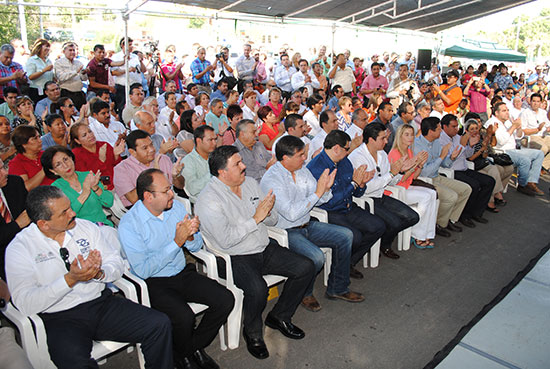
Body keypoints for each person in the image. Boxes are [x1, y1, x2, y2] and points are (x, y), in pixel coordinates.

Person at [5, 186, 174, 369]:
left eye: (70, 207)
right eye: (64, 212)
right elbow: (24, 303)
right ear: (43, 224)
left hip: (100, 304)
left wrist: (100, 273)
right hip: (60, 318)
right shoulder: (20, 248)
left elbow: (115, 263)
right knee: (74, 363)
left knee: (158, 324)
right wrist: (70, 280)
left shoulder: (85, 228)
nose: (72, 213)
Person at [195, 145, 315, 359]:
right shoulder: (209, 200)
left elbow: (273, 219)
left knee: (306, 266)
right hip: (233, 256)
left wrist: (267, 212)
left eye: (241, 161)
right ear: (222, 172)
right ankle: (253, 332)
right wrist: (256, 218)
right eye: (238, 164)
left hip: (262, 246)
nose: (244, 166)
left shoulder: (250, 183)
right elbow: (225, 240)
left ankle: (279, 316)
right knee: (257, 289)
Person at [119, 169, 234, 369]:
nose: (172, 194)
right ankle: (187, 355)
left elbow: (196, 246)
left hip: (182, 272)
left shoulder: (176, 209)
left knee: (225, 299)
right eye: (166, 191)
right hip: (154, 282)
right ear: (148, 196)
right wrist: (176, 242)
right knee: (184, 317)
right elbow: (143, 270)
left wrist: (190, 236)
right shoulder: (130, 224)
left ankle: (189, 349)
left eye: (170, 188)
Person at [261, 135, 364, 312]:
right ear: (285, 158)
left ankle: (338, 288)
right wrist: (318, 192)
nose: (304, 158)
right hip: (286, 231)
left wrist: (326, 188)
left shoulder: (302, 170)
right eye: (300, 155)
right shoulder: (272, 179)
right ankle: (305, 293)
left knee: (346, 235)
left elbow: (319, 199)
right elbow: (292, 213)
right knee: (316, 257)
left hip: (307, 224)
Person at [307, 130, 386, 277]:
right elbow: (330, 201)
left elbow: (356, 193)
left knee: (378, 226)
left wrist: (361, 184)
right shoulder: (316, 168)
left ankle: (349, 262)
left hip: (348, 206)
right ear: (336, 148)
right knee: (354, 236)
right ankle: (339, 270)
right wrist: (354, 184)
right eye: (347, 148)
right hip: (330, 211)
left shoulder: (344, 162)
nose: (348, 151)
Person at [348, 122, 419, 258]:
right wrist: (391, 173)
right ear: (371, 140)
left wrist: (400, 172)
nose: (386, 141)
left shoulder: (381, 154)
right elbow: (367, 188)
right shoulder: (358, 157)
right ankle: (379, 246)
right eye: (383, 138)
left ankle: (383, 243)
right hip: (364, 199)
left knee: (412, 217)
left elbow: (390, 181)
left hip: (380, 195)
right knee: (394, 223)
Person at [413, 117, 472, 237]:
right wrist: (442, 157)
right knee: (451, 196)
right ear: (430, 131)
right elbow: (425, 173)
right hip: (425, 180)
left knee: (466, 189)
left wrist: (451, 158)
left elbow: (445, 164)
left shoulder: (436, 142)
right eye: (439, 129)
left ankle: (449, 219)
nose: (441, 132)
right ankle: (438, 224)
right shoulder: (418, 146)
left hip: (437, 176)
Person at [439, 114, 495, 226]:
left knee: (489, 181)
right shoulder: (441, 139)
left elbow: (468, 155)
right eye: (453, 127)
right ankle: (464, 215)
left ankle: (476, 212)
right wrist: (463, 145)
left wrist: (470, 146)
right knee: (474, 185)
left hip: (464, 168)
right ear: (445, 127)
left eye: (457, 126)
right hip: (452, 170)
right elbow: (449, 159)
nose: (456, 129)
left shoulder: (457, 137)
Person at [388, 124, 436, 247]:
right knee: (425, 197)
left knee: (432, 194)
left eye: (412, 134)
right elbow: (401, 177)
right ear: (400, 136)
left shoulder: (409, 151)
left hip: (407, 186)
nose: (410, 137)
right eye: (407, 134)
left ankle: (427, 234)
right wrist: (415, 163)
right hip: (396, 190)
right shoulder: (395, 153)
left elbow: (414, 176)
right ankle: (416, 234)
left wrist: (420, 164)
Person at [42, 145, 114, 226]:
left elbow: (109, 202)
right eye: (58, 164)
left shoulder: (88, 175)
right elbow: (65, 216)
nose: (65, 166)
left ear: (71, 158)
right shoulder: (55, 189)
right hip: (79, 232)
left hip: (103, 226)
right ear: (53, 171)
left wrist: (95, 188)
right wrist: (84, 193)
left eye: (65, 159)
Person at [485, 102, 545, 196]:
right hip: (502, 151)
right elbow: (500, 141)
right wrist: (513, 127)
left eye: (508, 110)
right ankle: (522, 185)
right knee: (525, 160)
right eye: (504, 111)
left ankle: (531, 182)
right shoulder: (492, 123)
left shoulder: (507, 122)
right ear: (496, 113)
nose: (507, 112)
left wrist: (519, 128)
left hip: (514, 149)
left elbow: (518, 137)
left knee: (539, 154)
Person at [114, 129, 184, 207]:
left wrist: (176, 176)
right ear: (132, 152)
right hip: (141, 208)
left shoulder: (163, 159)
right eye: (145, 148)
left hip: (167, 202)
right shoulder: (121, 169)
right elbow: (134, 199)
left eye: (151, 144)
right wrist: (153, 174)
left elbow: (180, 186)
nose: (151, 150)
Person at [464, 118, 512, 209]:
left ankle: (496, 194)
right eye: (472, 129)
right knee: (492, 173)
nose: (475, 131)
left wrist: (485, 146)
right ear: (467, 130)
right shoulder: (465, 139)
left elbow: (485, 155)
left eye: (476, 128)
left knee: (504, 168)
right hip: (472, 165)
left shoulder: (479, 138)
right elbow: (470, 158)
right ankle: (492, 199)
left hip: (482, 162)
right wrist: (481, 150)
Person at [70, 122, 124, 191]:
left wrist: (116, 156)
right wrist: (100, 160)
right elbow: (86, 178)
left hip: (118, 184)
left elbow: (117, 167)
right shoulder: (76, 154)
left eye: (90, 131)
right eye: (84, 135)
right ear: (77, 141)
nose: (90, 135)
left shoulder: (104, 145)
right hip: (99, 191)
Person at [0, 157, 29, 279]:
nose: (5, 173)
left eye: (3, 167)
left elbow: (30, 214)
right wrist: (17, 224)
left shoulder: (14, 183)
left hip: (29, 243)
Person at [8, 125, 54, 190]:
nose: (40, 141)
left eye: (39, 137)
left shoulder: (46, 154)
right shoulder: (16, 163)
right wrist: (44, 169)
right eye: (35, 138)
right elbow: (25, 188)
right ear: (23, 144)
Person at [181, 125, 216, 203]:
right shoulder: (188, 161)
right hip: (203, 202)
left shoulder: (215, 156)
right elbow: (192, 189)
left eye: (215, 139)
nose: (214, 143)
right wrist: (212, 173)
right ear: (199, 141)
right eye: (210, 140)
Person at [111, 38, 144, 117]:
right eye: (129, 45)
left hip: (135, 86)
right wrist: (127, 70)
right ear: (123, 45)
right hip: (122, 86)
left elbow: (142, 70)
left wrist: (140, 61)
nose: (131, 47)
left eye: (131, 45)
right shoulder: (116, 57)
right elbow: (113, 72)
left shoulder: (135, 57)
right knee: (122, 107)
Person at [520, 93, 550, 172]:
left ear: (540, 102)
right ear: (530, 102)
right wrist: (537, 129)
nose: (535, 103)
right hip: (530, 137)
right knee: (543, 148)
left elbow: (547, 126)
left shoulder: (543, 112)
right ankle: (536, 167)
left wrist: (547, 129)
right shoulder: (525, 113)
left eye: (538, 101)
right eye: (534, 101)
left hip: (543, 136)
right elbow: (523, 131)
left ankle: (542, 166)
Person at [54, 42, 87, 110]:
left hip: (79, 93)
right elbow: (61, 77)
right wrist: (75, 72)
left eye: (74, 50)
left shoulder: (79, 63)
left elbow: (84, 79)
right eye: (70, 50)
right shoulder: (59, 63)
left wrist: (84, 73)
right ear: (64, 51)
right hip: (67, 92)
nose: (72, 52)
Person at [26, 39, 54, 103]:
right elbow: (30, 76)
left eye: (48, 47)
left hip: (48, 91)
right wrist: (44, 70)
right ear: (39, 47)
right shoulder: (32, 60)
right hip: (36, 91)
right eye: (46, 46)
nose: (47, 48)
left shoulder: (48, 60)